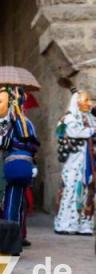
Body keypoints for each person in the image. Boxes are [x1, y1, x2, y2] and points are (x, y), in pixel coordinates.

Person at [0, 86, 39, 227]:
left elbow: (31, 146)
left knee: (12, 208)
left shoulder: (22, 123)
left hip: (13, 171)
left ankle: (11, 243)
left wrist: (6, 142)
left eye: (0, 101)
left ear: (10, 102)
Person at [53, 90, 96, 235]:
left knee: (87, 191)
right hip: (74, 163)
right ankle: (66, 223)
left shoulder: (90, 118)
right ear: (77, 102)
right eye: (86, 100)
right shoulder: (69, 117)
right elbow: (76, 132)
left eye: (90, 100)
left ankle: (84, 224)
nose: (89, 103)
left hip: (87, 163)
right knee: (71, 189)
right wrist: (92, 131)